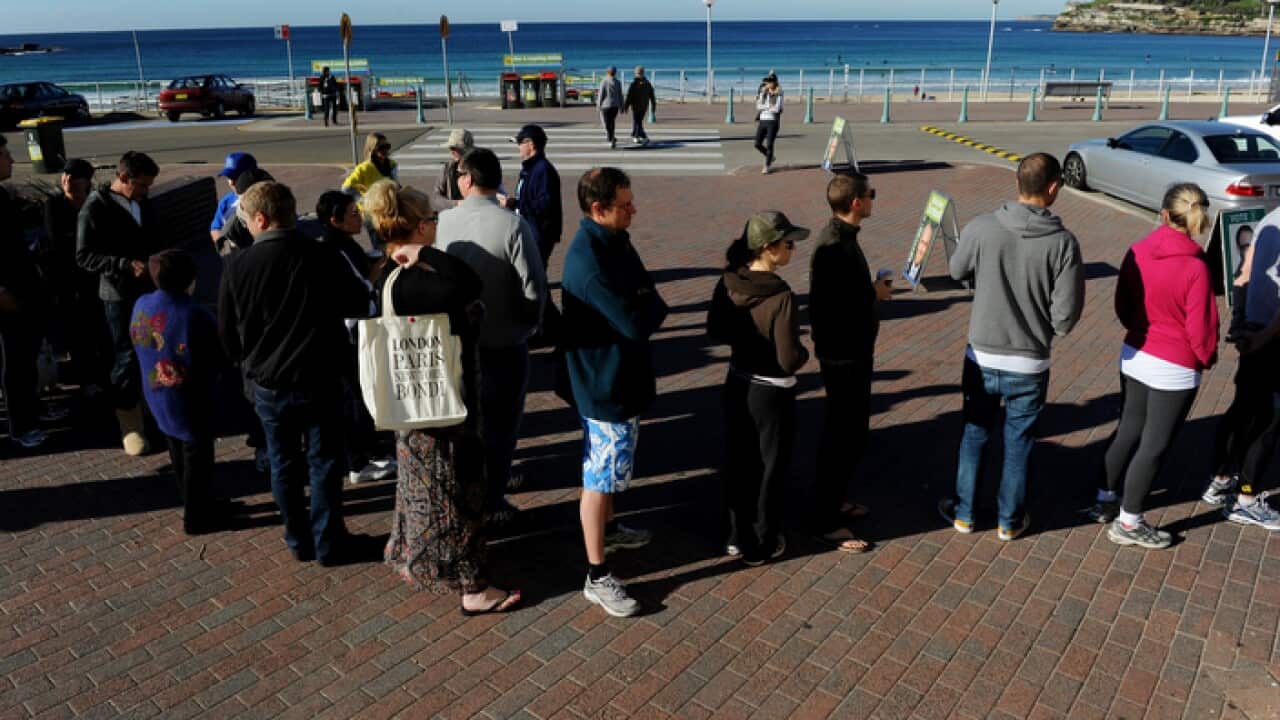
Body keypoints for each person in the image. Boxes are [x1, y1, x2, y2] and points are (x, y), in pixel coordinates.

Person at [363, 180, 522, 615]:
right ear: (415, 228)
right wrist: (427, 255)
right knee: (457, 493)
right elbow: (468, 285)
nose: (437, 224)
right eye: (432, 220)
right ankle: (473, 588)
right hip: (439, 407)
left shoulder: (389, 272)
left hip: (415, 403)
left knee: (427, 489)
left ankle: (409, 555)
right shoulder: (414, 277)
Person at [217, 181, 374, 566]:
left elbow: (227, 332)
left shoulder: (237, 265)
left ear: (260, 219)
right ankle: (327, 541)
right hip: (320, 377)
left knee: (283, 462)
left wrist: (248, 365)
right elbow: (358, 301)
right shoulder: (320, 255)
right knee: (324, 463)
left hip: (269, 383)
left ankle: (297, 538)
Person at [939, 153, 1084, 541]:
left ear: (1018, 182)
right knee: (1018, 442)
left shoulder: (983, 226)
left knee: (974, 434)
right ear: (1053, 187)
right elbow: (1066, 317)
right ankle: (1009, 519)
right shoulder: (1064, 243)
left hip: (981, 354)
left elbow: (956, 271)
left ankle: (965, 513)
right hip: (1029, 361)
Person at [561, 167, 669, 617]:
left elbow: (653, 302)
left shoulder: (615, 241)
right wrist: (642, 301)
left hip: (618, 376)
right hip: (603, 384)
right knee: (599, 476)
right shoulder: (589, 261)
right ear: (598, 208)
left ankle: (611, 526)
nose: (634, 210)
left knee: (607, 471)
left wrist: (643, 300)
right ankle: (596, 573)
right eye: (624, 205)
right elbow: (638, 320)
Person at [1088, 184, 1218, 548]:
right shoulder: (1196, 266)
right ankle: (1129, 523)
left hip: (1136, 353)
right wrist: (1206, 356)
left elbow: (1124, 305)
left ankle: (1105, 497)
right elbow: (1201, 328)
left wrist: (1138, 330)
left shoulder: (1138, 251)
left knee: (1129, 428)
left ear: (1164, 214)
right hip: (1174, 365)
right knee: (1154, 445)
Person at [435, 148, 546, 525]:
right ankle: (493, 498)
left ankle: (468, 498)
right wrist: (530, 325)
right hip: (505, 343)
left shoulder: (444, 223)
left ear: (466, 179)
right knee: (502, 428)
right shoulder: (513, 225)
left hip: (458, 346)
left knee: (466, 428)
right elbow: (534, 287)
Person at [707, 211, 809, 566]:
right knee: (770, 468)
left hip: (737, 380)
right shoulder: (781, 294)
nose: (793, 249)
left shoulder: (729, 280)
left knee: (739, 461)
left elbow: (715, 330)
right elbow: (788, 358)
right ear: (768, 248)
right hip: (771, 391)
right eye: (789, 243)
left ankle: (736, 536)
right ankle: (763, 540)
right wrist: (804, 352)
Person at [808, 173, 889, 554]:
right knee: (844, 435)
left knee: (849, 433)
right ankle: (824, 520)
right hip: (844, 353)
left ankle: (833, 502)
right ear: (856, 202)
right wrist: (873, 293)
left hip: (846, 349)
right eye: (870, 194)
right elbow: (838, 305)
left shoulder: (838, 237)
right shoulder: (836, 246)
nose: (874, 198)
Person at [131, 249, 233, 534]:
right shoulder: (194, 314)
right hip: (191, 399)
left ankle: (199, 504)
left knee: (178, 453)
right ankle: (197, 516)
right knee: (198, 460)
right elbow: (220, 355)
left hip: (156, 394)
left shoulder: (141, 304)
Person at [76, 150, 161, 456]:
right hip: (118, 295)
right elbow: (84, 255)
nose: (145, 191)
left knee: (152, 349)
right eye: (141, 185)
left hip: (149, 290)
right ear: (123, 178)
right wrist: (123, 264)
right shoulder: (95, 208)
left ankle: (154, 411)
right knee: (125, 356)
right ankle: (130, 426)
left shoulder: (144, 202)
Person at [1202, 206, 1280, 531]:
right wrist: (1261, 338)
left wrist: (1239, 324)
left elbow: (1243, 273)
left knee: (1243, 408)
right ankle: (1246, 499)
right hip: (1270, 335)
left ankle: (1220, 479)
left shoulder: (1269, 219)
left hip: (1255, 327)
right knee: (1270, 416)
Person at [315, 190, 394, 485]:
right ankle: (358, 460)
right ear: (335, 220)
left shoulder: (342, 245)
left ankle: (367, 450)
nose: (358, 217)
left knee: (362, 393)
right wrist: (373, 276)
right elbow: (351, 295)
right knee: (356, 396)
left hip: (354, 330)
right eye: (352, 213)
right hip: (350, 333)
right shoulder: (333, 250)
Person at [0, 134, 50, 448]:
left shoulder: (2, 195)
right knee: (14, 362)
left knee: (25, 357)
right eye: (5, 154)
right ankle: (21, 425)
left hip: (22, 288)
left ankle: (31, 412)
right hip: (7, 296)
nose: (12, 160)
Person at [42, 157, 107, 395]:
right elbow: (57, 243)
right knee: (77, 331)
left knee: (100, 327)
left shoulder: (95, 204)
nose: (67, 181)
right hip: (69, 279)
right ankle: (86, 378)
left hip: (96, 276)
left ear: (87, 182)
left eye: (73, 177)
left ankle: (104, 374)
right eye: (65, 176)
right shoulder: (55, 205)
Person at [505, 124, 564, 344]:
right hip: (533, 231)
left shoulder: (542, 170)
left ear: (531, 145)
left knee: (535, 281)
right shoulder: (531, 168)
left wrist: (516, 202)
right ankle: (549, 326)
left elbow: (544, 206)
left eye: (521, 143)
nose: (518, 147)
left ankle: (552, 327)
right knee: (536, 281)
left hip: (540, 234)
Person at [342, 132, 399, 250]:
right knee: (380, 246)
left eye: (387, 146)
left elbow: (395, 184)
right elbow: (346, 188)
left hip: (388, 209)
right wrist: (364, 200)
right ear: (372, 149)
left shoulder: (392, 164)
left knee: (392, 242)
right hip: (371, 214)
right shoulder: (364, 168)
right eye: (380, 147)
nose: (384, 150)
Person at [209, 152, 257, 242]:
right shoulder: (226, 202)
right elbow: (215, 228)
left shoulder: (266, 200)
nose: (231, 182)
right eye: (228, 178)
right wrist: (224, 247)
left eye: (236, 177)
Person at [431, 128, 473, 212]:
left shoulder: (479, 169)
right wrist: (456, 203)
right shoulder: (447, 169)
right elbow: (436, 196)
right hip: (453, 214)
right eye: (450, 148)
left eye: (454, 148)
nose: (451, 151)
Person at [754, 74, 783, 175]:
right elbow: (758, 106)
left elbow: (777, 109)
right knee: (757, 144)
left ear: (775, 82)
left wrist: (765, 106)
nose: (768, 83)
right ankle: (770, 156)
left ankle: (767, 166)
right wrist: (768, 106)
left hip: (772, 122)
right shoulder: (763, 93)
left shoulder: (779, 94)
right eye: (767, 81)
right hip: (762, 120)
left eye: (770, 81)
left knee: (769, 144)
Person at [623, 66, 655, 146]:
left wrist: (626, 106)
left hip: (636, 106)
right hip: (644, 106)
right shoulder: (647, 83)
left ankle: (644, 137)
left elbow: (629, 96)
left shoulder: (634, 84)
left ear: (636, 73)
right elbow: (652, 97)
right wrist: (653, 108)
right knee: (637, 121)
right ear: (643, 73)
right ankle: (635, 135)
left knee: (638, 122)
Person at [598, 66, 623, 150]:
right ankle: (612, 137)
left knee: (607, 123)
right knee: (611, 122)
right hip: (615, 105)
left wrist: (598, 105)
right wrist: (621, 106)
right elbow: (620, 95)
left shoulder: (604, 81)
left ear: (607, 72)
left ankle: (611, 139)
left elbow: (601, 94)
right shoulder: (618, 82)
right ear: (615, 73)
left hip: (606, 105)